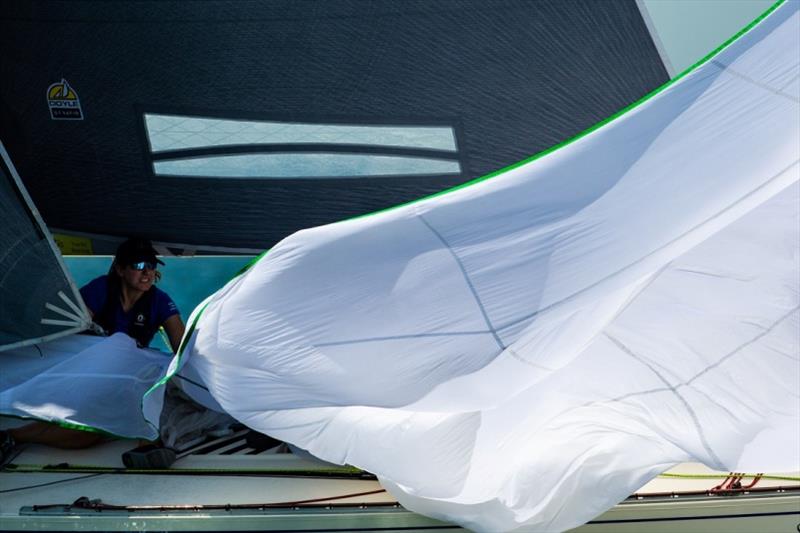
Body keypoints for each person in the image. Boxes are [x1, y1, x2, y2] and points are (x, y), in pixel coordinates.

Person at [0, 238, 185, 463]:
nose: (146, 273)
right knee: (84, 432)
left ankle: (146, 444)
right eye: (138, 266)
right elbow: (67, 331)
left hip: (123, 378)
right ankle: (11, 436)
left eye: (151, 266)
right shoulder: (101, 289)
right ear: (120, 269)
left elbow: (181, 347)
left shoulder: (160, 301)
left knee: (88, 434)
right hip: (87, 376)